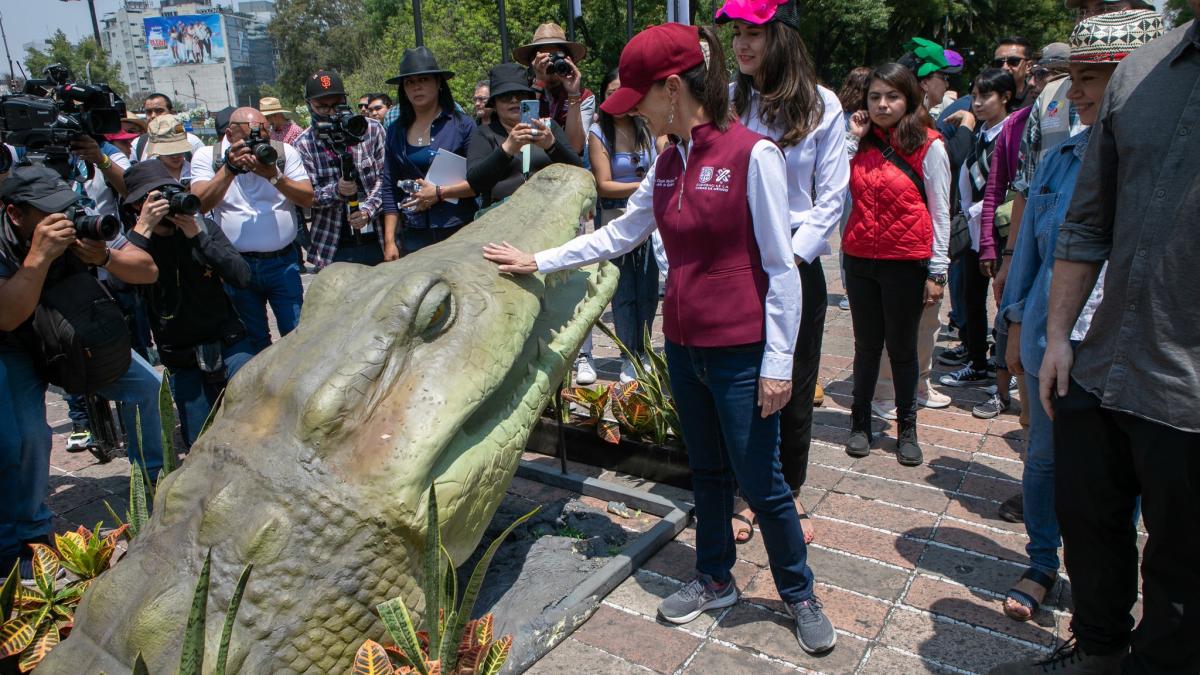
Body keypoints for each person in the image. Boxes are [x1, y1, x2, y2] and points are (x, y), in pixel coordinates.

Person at [483, 22, 837, 655]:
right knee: (705, 473)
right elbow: (619, 235)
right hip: (683, 345)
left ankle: (798, 591)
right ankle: (714, 578)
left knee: (762, 480)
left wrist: (779, 363)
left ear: (673, 90)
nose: (635, 111)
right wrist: (537, 259)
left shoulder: (752, 155)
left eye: (641, 98)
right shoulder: (668, 162)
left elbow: (783, 269)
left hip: (742, 351)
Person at [991, 7, 1196, 674]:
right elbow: (1080, 226)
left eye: (1086, 76)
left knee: (1178, 570)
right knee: (1087, 513)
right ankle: (1097, 647)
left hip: (1183, 386)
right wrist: (1047, 331)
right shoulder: (1145, 76)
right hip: (1097, 358)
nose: (1072, 90)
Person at [719, 0, 849, 545]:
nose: (743, 44)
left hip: (794, 267)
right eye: (737, 33)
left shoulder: (823, 105)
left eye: (756, 31)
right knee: (736, 382)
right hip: (732, 265)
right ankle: (742, 491)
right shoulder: (726, 99)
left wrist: (787, 258)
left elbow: (832, 197)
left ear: (784, 35)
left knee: (791, 382)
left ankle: (786, 490)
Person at [0, 165, 164, 579]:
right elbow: (8, 315)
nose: (64, 218)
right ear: (16, 214)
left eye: (66, 207)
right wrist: (39, 257)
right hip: (12, 344)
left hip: (71, 335)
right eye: (49, 212)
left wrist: (105, 255)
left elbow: (146, 269)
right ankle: (27, 539)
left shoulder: (78, 226)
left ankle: (155, 485)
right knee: (24, 440)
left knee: (152, 389)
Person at [842, 63, 950, 467]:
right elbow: (835, 186)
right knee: (866, 346)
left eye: (892, 96)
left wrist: (938, 271)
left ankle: (907, 429)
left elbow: (941, 210)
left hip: (906, 262)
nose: (882, 105)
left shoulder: (929, 144)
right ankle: (859, 424)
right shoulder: (859, 142)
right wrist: (852, 140)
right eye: (874, 97)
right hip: (859, 259)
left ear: (909, 99)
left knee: (902, 349)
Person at [123, 160, 254, 448]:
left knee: (255, 425)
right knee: (200, 443)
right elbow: (121, 288)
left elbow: (242, 276)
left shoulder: (202, 227)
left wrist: (199, 238)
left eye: (170, 193)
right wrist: (143, 230)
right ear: (137, 207)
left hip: (228, 342)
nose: (168, 206)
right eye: (157, 198)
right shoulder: (134, 244)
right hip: (182, 356)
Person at [191, 107, 314, 354]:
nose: (258, 144)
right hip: (237, 266)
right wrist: (229, 169)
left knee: (297, 335)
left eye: (263, 136)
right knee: (253, 340)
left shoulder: (282, 153)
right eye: (250, 138)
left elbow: (307, 199)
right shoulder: (208, 156)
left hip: (283, 263)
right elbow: (200, 205)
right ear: (229, 133)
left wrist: (274, 176)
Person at [939, 69, 1015, 390]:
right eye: (975, 95)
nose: (978, 103)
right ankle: (976, 360)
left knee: (1002, 300)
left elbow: (1007, 189)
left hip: (999, 231)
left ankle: (1007, 366)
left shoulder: (1013, 134)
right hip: (972, 230)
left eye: (986, 96)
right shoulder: (979, 133)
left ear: (1006, 98)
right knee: (971, 297)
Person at [587, 68, 658, 383]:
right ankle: (627, 355)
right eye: (611, 92)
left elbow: (663, 160)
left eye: (623, 91)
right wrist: (646, 186)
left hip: (649, 218)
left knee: (649, 288)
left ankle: (644, 351)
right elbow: (604, 185)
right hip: (616, 217)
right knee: (623, 289)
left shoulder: (645, 127)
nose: (618, 98)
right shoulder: (598, 132)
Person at [379, 47, 477, 258]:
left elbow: (480, 181)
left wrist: (439, 193)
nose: (417, 87)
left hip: (458, 230)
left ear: (439, 83)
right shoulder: (395, 131)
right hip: (413, 233)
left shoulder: (463, 126)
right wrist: (389, 242)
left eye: (423, 80)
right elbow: (388, 186)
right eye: (410, 82)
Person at [293, 70, 390, 268]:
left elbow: (386, 177)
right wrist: (336, 191)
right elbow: (307, 196)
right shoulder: (304, 143)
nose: (331, 112)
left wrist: (367, 210)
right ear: (309, 105)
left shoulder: (371, 129)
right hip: (333, 244)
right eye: (322, 107)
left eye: (336, 105)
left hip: (378, 236)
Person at [467, 63, 584, 208]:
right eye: (505, 96)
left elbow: (578, 171)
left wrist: (552, 146)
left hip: (549, 214)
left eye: (520, 95)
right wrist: (507, 149)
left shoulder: (549, 127)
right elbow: (475, 183)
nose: (514, 100)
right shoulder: (484, 133)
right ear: (495, 104)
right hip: (501, 220)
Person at [513, 23, 595, 155]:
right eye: (545, 57)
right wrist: (539, 81)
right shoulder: (522, 94)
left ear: (569, 60)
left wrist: (573, 93)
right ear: (533, 62)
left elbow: (574, 147)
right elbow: (521, 134)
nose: (550, 63)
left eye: (556, 56)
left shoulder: (585, 96)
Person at [133, 94, 204, 162]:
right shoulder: (138, 143)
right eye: (149, 112)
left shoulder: (192, 141)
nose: (153, 116)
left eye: (159, 111)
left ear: (171, 113)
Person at [145, 114, 193, 184]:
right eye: (169, 152)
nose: (175, 156)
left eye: (179, 150)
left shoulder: (194, 170)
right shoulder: (148, 173)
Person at [993, 37, 1036, 110]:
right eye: (999, 63)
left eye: (1013, 61)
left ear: (1028, 66)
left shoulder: (1036, 100)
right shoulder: (983, 98)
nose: (1004, 67)